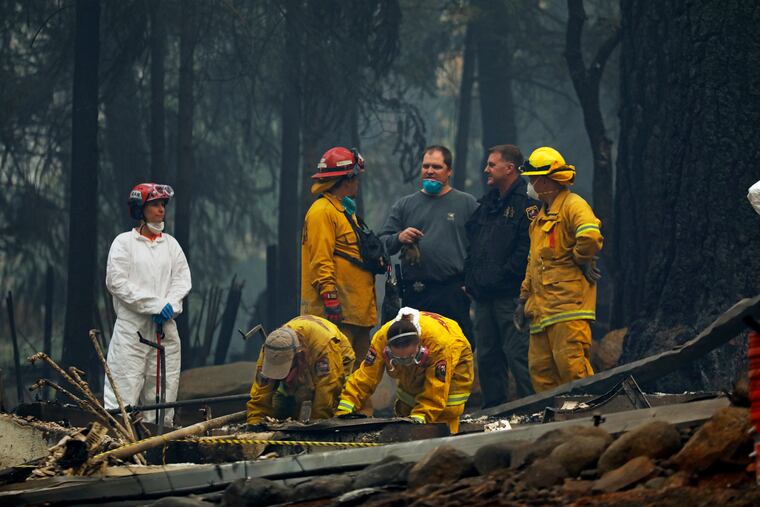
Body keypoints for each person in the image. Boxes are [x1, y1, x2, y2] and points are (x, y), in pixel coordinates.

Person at [513, 147, 603, 392]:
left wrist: (581, 258)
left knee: (572, 368)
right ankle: (554, 425)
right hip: (541, 314)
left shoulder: (573, 205)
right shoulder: (540, 218)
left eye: (532, 179)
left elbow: (590, 235)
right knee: (541, 373)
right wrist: (523, 299)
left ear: (545, 180)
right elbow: (533, 264)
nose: (530, 185)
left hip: (568, 310)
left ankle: (586, 424)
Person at [104, 183, 191, 425]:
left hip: (164, 329)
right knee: (123, 389)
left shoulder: (171, 245)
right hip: (132, 330)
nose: (161, 209)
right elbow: (117, 282)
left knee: (164, 391)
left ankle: (157, 450)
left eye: (163, 204)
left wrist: (170, 307)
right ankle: (118, 446)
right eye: (155, 204)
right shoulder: (123, 243)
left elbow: (182, 280)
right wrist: (154, 305)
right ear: (140, 209)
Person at [378, 145, 478, 343]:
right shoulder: (405, 205)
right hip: (416, 293)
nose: (430, 171)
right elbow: (381, 243)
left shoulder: (467, 204)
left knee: (456, 347)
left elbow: (481, 246)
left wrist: (473, 282)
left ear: (449, 171)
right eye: (426, 166)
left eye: (437, 167)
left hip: (453, 292)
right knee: (417, 349)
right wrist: (399, 237)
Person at [464, 144, 538, 407]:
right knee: (486, 355)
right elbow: (474, 243)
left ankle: (533, 407)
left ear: (510, 168)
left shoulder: (527, 203)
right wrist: (471, 279)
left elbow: (525, 249)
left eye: (492, 165)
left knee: (518, 353)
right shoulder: (488, 203)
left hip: (511, 296)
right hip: (484, 298)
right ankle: (494, 410)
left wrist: (501, 278)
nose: (487, 169)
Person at [335, 307, 474, 434]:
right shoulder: (381, 338)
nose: (405, 363)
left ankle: (447, 435)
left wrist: (420, 419)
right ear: (388, 349)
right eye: (399, 359)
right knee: (406, 405)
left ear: (419, 345)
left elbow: (436, 389)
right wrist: (345, 407)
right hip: (423, 353)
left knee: (443, 413)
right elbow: (365, 376)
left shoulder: (440, 345)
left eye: (408, 358)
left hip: (456, 357)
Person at [300, 146, 378, 371]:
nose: (358, 183)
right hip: (336, 316)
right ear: (348, 178)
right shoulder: (322, 212)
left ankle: (358, 409)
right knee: (335, 378)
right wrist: (331, 300)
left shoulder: (344, 211)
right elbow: (320, 261)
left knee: (358, 379)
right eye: (357, 178)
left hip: (355, 314)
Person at [246, 315, 355, 425]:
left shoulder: (324, 348)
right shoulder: (270, 350)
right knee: (282, 406)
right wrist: (255, 422)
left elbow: (326, 393)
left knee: (321, 400)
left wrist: (316, 426)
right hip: (305, 351)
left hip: (338, 355)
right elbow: (260, 393)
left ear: (297, 356)